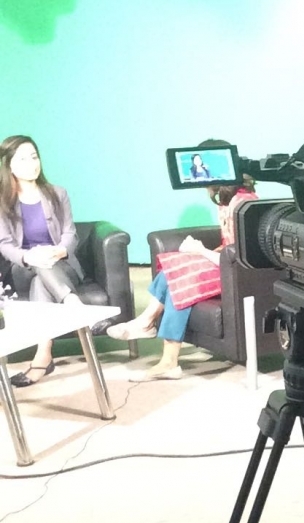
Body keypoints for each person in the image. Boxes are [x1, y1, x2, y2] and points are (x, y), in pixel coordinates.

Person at [106, 169, 258, 381]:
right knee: (174, 265)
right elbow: (228, 246)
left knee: (181, 281)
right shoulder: (226, 202)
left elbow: (239, 257)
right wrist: (199, 253)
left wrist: (201, 251)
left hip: (238, 275)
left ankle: (160, 348)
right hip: (225, 265)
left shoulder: (243, 204)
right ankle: (148, 326)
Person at [0, 134, 107, 387]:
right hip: (23, 267)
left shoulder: (58, 193)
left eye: (34, 157)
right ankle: (75, 305)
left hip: (61, 265)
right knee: (38, 263)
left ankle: (43, 356)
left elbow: (71, 233)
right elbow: (4, 244)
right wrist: (29, 255)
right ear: (9, 165)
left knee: (41, 280)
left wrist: (58, 251)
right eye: (23, 159)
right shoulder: (2, 200)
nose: (32, 164)